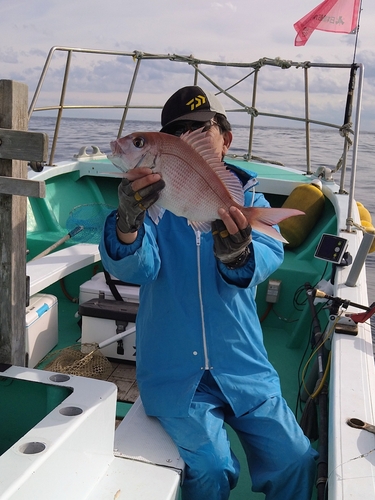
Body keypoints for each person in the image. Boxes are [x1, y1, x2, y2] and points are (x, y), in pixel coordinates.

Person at [99, 85, 317, 499]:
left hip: (244, 369)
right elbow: (136, 267)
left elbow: (263, 261)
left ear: (226, 138)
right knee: (213, 467)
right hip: (175, 374)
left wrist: (238, 255)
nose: (186, 138)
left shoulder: (247, 199)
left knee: (297, 459)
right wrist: (127, 220)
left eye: (200, 128)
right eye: (177, 131)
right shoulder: (152, 205)